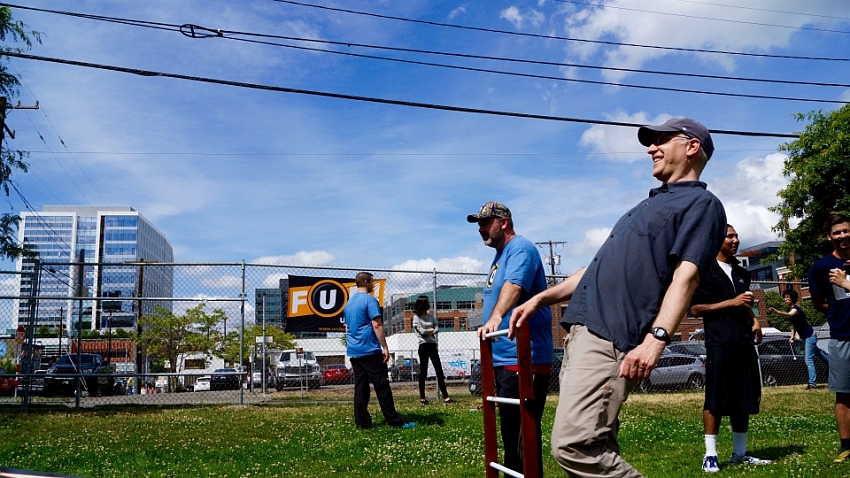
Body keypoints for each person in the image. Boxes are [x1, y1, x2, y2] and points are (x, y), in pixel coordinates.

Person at [510, 118, 726, 477]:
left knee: (574, 444)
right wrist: (539, 300)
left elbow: (687, 276)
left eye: (661, 141)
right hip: (583, 332)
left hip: (611, 339)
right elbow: (593, 270)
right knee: (597, 443)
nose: (650, 148)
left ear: (691, 147)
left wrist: (656, 340)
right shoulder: (647, 205)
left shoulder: (701, 204)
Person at [468, 201, 553, 477]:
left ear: (503, 221)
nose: (480, 228)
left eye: (485, 221)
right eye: (478, 223)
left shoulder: (521, 248)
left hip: (523, 357)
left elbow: (514, 285)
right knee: (510, 439)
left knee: (522, 440)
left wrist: (496, 317)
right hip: (504, 356)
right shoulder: (500, 255)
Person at [690, 225, 770, 472]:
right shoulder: (704, 271)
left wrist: (754, 319)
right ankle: (711, 455)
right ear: (717, 240)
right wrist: (730, 303)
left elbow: (745, 301)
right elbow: (695, 309)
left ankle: (740, 453)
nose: (735, 240)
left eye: (736, 236)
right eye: (730, 236)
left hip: (743, 342)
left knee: (743, 399)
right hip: (719, 343)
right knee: (716, 400)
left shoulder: (740, 271)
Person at [344, 271, 414, 430]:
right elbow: (377, 325)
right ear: (367, 282)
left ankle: (362, 423)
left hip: (354, 350)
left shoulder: (349, 304)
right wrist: (385, 347)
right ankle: (394, 421)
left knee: (361, 388)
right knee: (382, 386)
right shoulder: (370, 300)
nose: (373, 285)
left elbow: (347, 327)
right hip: (369, 349)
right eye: (372, 282)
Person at [808, 213, 850, 462]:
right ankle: (846, 446)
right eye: (837, 232)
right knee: (843, 393)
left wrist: (845, 284)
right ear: (829, 237)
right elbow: (818, 303)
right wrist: (838, 313)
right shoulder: (821, 267)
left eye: (846, 230)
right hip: (842, 336)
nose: (843, 236)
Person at [770, 289, 829, 391]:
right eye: (785, 297)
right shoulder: (790, 309)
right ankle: (837, 369)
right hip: (806, 337)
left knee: (808, 359)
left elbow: (789, 315)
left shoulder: (795, 309)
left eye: (788, 297)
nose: (785, 299)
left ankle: (812, 384)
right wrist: (792, 336)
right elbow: (795, 324)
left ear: (793, 299)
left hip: (810, 336)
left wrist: (777, 312)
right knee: (821, 356)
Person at [411, 295, 453, 405]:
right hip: (423, 346)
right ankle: (423, 398)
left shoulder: (430, 316)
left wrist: (429, 330)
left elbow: (437, 329)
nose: (429, 304)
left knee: (439, 371)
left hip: (432, 345)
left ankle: (446, 398)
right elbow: (422, 332)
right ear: (423, 304)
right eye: (428, 302)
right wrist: (431, 330)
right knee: (423, 372)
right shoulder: (416, 318)